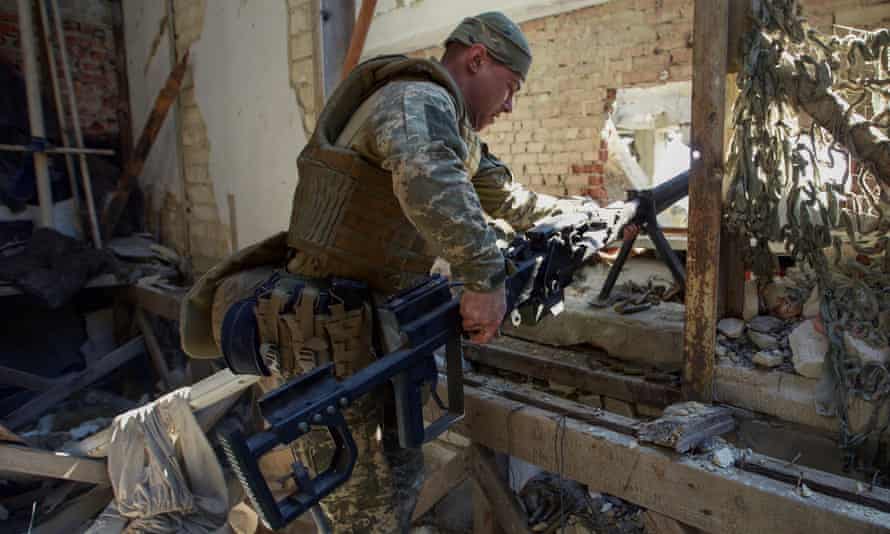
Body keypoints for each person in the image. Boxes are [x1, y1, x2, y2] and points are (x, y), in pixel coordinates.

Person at [181, 11, 606, 533]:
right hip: (326, 337)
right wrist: (484, 277)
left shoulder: (454, 132)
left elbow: (510, 199)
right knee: (364, 511)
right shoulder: (416, 100)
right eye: (511, 86)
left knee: (394, 485)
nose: (511, 105)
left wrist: (592, 217)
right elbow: (427, 180)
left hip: (371, 333)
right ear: (477, 60)